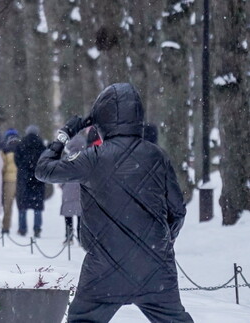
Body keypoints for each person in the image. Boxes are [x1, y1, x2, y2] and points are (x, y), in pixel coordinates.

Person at [37, 83, 192, 322]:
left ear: (100, 121)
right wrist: (158, 244)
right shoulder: (156, 156)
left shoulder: (93, 158)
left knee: (82, 319)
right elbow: (178, 211)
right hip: (155, 267)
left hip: (103, 267)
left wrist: (65, 134)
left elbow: (43, 170)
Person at [14, 124, 47, 237]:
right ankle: (37, 228)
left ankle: (22, 228)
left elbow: (17, 161)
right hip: (37, 179)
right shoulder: (41, 145)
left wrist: (24, 169)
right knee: (37, 205)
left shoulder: (20, 144)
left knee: (22, 205)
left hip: (24, 179)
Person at [0, 128, 20, 235]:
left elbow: (2, 166)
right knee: (21, 206)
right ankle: (22, 227)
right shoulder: (21, 147)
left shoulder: (5, 149)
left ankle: (5, 227)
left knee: (8, 205)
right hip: (20, 180)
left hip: (8, 180)